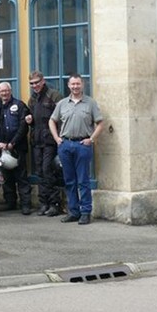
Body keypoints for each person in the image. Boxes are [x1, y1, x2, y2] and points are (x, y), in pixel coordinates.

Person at [49, 73, 104, 225]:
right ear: (68, 85)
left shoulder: (90, 103)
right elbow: (52, 121)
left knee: (83, 181)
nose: (75, 86)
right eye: (72, 84)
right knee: (69, 181)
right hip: (65, 145)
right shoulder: (62, 104)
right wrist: (57, 138)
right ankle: (73, 211)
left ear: (82, 85)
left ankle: (85, 212)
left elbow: (100, 123)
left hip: (82, 146)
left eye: (78, 84)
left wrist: (91, 139)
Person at [0, 82, 32, 215]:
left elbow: (23, 126)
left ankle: (25, 205)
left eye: (6, 91)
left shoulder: (19, 105)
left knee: (22, 177)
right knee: (6, 178)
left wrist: (13, 143)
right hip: (1, 149)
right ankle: (10, 202)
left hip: (17, 148)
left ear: (10, 91)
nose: (4, 94)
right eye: (1, 91)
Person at [25, 71, 64, 217]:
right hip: (37, 140)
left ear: (43, 81)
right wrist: (30, 120)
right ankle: (43, 203)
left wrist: (59, 137)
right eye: (32, 83)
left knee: (48, 171)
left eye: (37, 82)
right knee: (40, 172)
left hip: (50, 140)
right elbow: (34, 119)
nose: (34, 86)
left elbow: (62, 117)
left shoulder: (54, 95)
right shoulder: (32, 99)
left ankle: (54, 203)